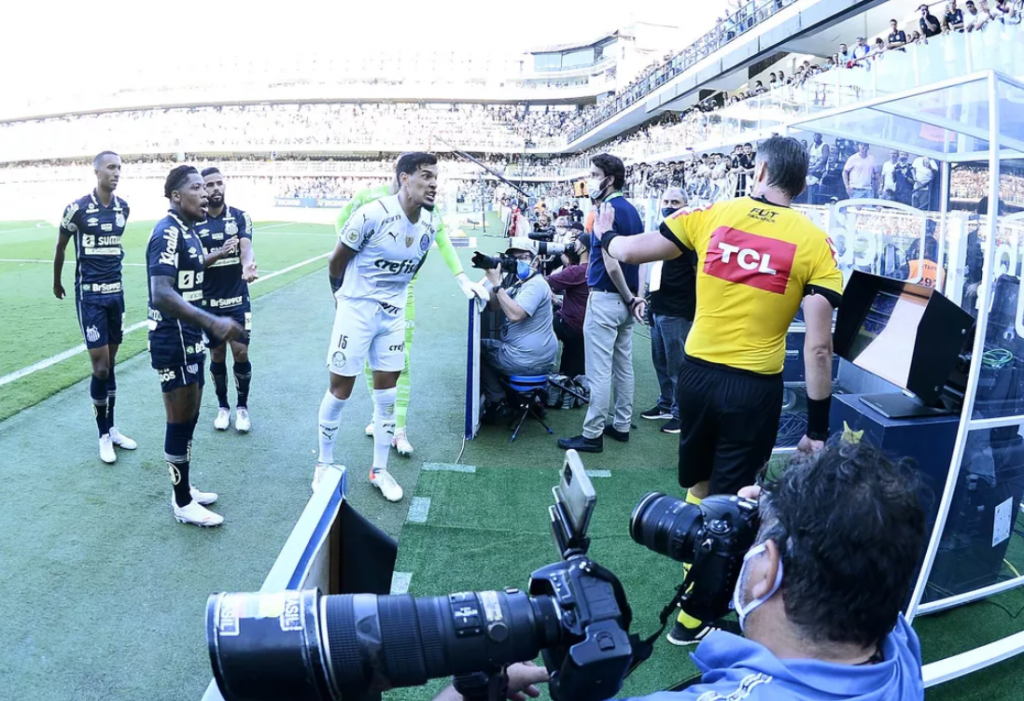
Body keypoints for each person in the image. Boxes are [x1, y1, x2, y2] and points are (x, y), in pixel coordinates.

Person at [430, 438, 928, 701]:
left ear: (767, 571)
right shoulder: (894, 644)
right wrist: (771, 522)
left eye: (754, 542)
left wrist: (474, 687)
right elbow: (868, 539)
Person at [595, 136, 842, 643]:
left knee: (701, 484)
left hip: (697, 377)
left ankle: (693, 574)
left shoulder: (711, 214)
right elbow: (819, 349)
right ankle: (693, 619)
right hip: (753, 388)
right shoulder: (815, 241)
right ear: (800, 184)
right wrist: (817, 429)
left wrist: (605, 234)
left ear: (760, 172)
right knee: (731, 505)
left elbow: (630, 249)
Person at [316, 153, 482, 501]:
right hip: (356, 310)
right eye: (426, 176)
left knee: (387, 395)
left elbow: (414, 266)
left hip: (392, 314)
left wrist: (458, 278)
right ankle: (324, 463)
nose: (434, 183)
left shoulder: (430, 223)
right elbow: (336, 261)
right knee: (341, 389)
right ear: (405, 178)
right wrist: (340, 298)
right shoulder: (372, 214)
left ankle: (379, 470)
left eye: (436, 177)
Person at [147, 165, 243, 527]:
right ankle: (182, 503)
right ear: (177, 196)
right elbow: (161, 293)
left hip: (189, 336)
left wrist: (215, 256)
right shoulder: (167, 231)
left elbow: (190, 272)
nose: (205, 194)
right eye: (197, 188)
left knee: (191, 416)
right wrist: (211, 321)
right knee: (179, 420)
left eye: (206, 188)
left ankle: (184, 487)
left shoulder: (188, 231)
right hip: (171, 338)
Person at [54, 151, 137, 464]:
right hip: (90, 297)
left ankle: (112, 428)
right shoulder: (77, 209)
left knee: (111, 365)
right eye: (111, 167)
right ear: (97, 171)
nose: (116, 173)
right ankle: (102, 435)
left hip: (116, 294)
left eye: (119, 168)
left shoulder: (123, 208)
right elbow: (61, 246)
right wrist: (56, 281)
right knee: (100, 367)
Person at [558, 154, 645, 454]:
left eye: (595, 174)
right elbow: (641, 259)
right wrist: (635, 296)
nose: (590, 180)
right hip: (626, 301)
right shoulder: (632, 211)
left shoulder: (604, 212)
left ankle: (592, 433)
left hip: (608, 298)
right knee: (623, 366)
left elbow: (611, 264)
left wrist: (630, 296)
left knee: (599, 371)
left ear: (609, 179)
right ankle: (621, 425)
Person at [196, 168, 258, 433]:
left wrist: (247, 266)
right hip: (209, 304)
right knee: (217, 354)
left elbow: (246, 247)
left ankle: (242, 407)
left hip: (237, 299)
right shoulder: (195, 221)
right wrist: (220, 254)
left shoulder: (240, 216)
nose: (215, 188)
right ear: (202, 189)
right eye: (209, 184)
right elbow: (194, 262)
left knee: (241, 352)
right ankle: (223, 406)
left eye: (219, 183)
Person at [476, 243, 559, 415]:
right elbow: (493, 305)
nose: (517, 262)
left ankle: (497, 401)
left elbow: (515, 315)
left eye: (523, 257)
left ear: (536, 261)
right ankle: (522, 400)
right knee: (491, 348)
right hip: (535, 357)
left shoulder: (535, 285)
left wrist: (497, 285)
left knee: (478, 348)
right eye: (514, 258)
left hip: (525, 359)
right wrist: (496, 277)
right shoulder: (521, 284)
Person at [640, 188, 696, 435]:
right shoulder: (662, 232)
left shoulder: (691, 235)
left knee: (677, 366)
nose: (669, 205)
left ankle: (681, 414)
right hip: (658, 305)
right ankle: (666, 404)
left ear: (686, 205)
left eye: (675, 202)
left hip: (678, 310)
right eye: (666, 201)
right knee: (660, 361)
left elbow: (698, 273)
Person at [547, 234, 589, 379]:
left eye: (575, 244)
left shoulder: (576, 271)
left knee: (539, 327)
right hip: (585, 327)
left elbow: (543, 282)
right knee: (572, 374)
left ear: (582, 248)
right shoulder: (595, 270)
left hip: (569, 323)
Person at [806, 134, 830, 205]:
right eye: (815, 135)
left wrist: (813, 169)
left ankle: (814, 205)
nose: (816, 137)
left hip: (819, 172)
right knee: (808, 191)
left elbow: (824, 160)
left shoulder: (824, 146)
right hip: (810, 171)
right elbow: (807, 156)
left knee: (815, 193)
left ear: (820, 136)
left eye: (818, 135)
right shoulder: (812, 145)